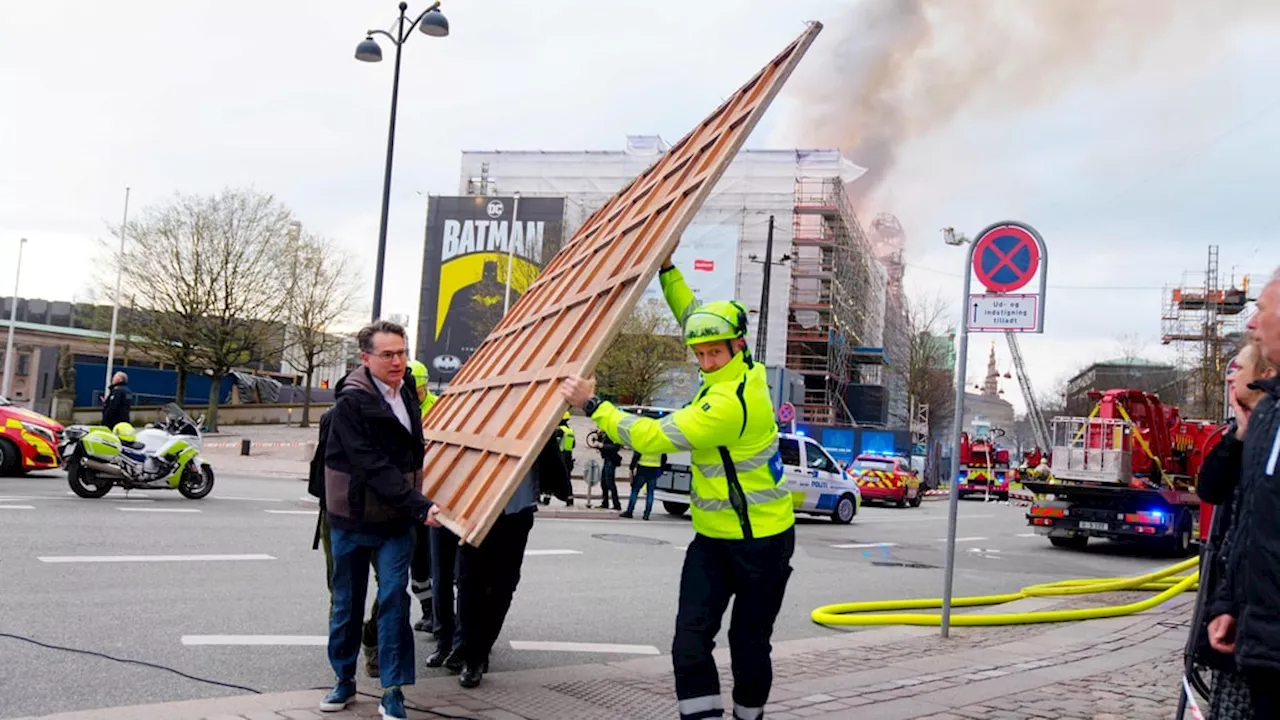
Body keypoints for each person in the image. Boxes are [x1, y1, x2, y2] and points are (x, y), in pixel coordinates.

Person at [561, 253, 795, 720]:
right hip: (712, 540)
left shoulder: (733, 402)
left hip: (761, 542)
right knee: (689, 641)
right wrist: (667, 269)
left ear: (737, 346)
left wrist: (596, 405)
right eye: (700, 353)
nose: (705, 361)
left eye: (714, 353)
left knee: (748, 644)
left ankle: (749, 716)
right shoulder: (736, 365)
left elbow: (650, 435)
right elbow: (691, 313)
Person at [319, 320, 441, 720]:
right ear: (366, 357)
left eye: (402, 352)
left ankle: (392, 690)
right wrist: (419, 505)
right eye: (388, 354)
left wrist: (416, 503)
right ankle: (343, 679)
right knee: (347, 605)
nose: (397, 361)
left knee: (393, 602)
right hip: (351, 520)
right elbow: (370, 463)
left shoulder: (407, 394)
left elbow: (411, 457)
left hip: (394, 522)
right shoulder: (350, 403)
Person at [1209, 271, 1280, 719]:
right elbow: (1245, 520)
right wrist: (1230, 604)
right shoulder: (1269, 416)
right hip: (1262, 638)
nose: (1252, 322)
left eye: (1263, 310)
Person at [407, 359, 439, 634]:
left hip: (436, 493)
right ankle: (428, 610)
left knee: (436, 559)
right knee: (417, 561)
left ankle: (440, 612)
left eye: (418, 388)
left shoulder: (440, 407)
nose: (415, 393)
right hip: (411, 495)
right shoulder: (398, 406)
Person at [623, 448, 664, 521]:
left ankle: (629, 511)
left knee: (635, 490)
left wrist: (631, 468)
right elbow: (664, 457)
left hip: (642, 469)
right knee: (650, 493)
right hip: (654, 470)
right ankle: (647, 514)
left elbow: (636, 455)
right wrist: (661, 469)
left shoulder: (643, 441)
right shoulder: (659, 442)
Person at [598, 435, 623, 511]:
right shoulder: (605, 434)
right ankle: (605, 502)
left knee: (610, 483)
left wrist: (603, 445)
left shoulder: (613, 433)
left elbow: (616, 447)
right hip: (606, 459)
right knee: (603, 482)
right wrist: (599, 438)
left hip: (611, 460)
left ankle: (616, 504)